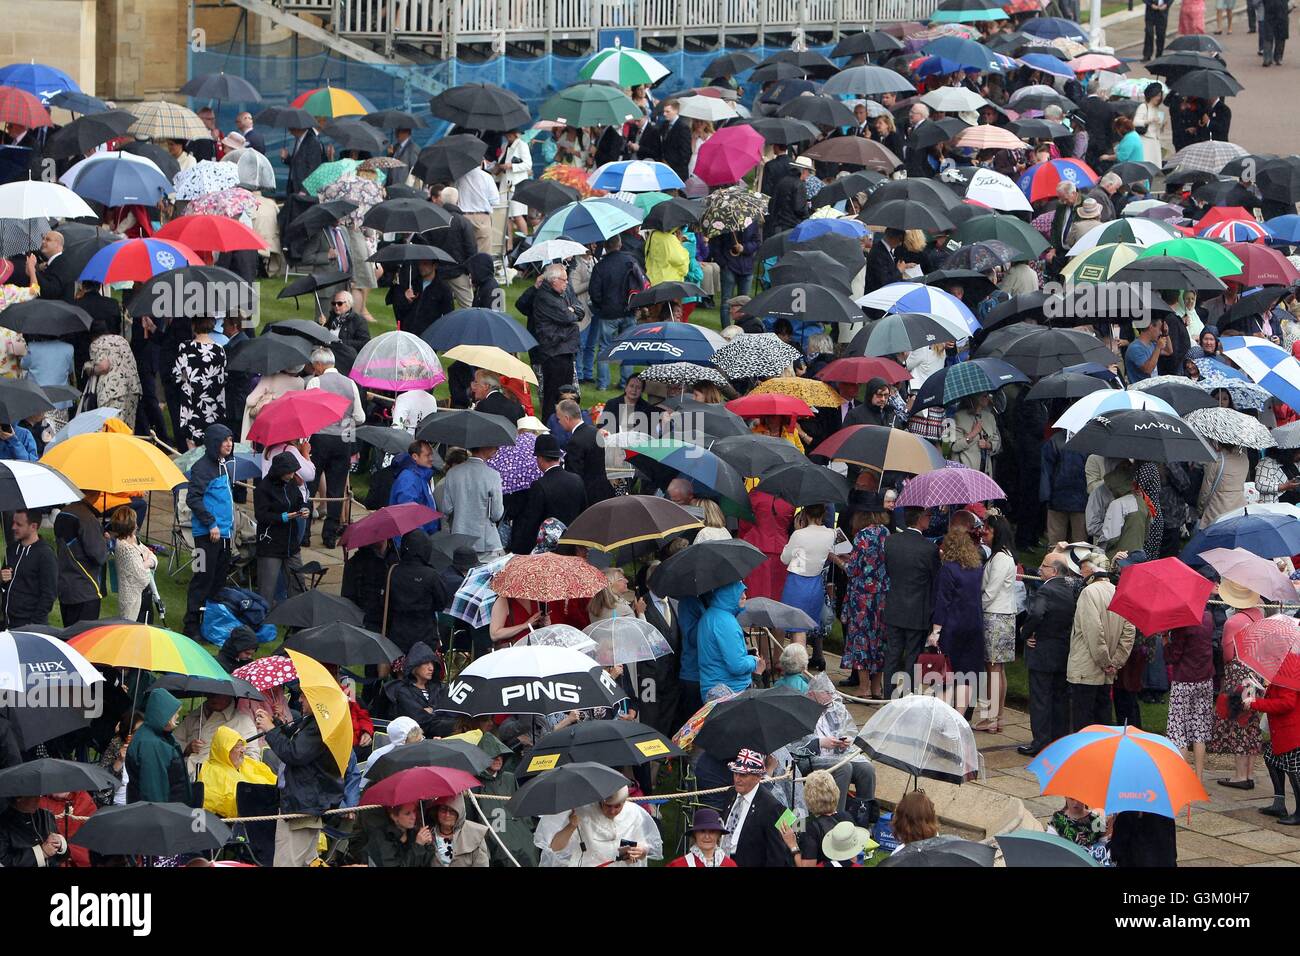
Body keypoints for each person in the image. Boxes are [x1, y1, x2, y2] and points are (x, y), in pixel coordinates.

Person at [255, 692, 346, 868]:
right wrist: (278, 724)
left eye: (304, 696)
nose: (299, 699)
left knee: (286, 863)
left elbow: (295, 753)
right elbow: (296, 742)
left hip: (303, 805)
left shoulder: (318, 725)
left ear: (316, 699)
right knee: (306, 862)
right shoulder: (314, 722)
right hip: (303, 803)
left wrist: (270, 730)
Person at [1020, 551, 1080, 757]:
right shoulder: (1069, 590)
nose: (1039, 569)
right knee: (1059, 698)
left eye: (1044, 566)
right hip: (1062, 651)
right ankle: (1058, 739)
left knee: (1040, 699)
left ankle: (1040, 741)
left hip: (1043, 651)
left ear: (1053, 570)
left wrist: (1025, 632)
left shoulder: (1046, 591)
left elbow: (1036, 613)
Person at [1067, 555, 1135, 732]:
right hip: (1107, 672)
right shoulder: (1119, 591)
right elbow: (1129, 633)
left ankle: (1083, 757)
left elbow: (1094, 631)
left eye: (1083, 568)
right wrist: (1115, 663)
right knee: (1103, 721)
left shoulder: (1088, 592)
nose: (1081, 573)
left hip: (1086, 670)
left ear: (1092, 570)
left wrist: (1106, 663)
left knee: (1083, 723)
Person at [1210, 577, 1265, 788]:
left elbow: (1227, 653)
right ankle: (1249, 772)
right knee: (1251, 721)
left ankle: (1241, 776)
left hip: (1239, 676)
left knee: (1239, 720)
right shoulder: (1259, 615)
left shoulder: (1234, 622)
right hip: (1256, 674)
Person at [183, 424, 235, 637]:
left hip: (224, 536)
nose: (229, 444)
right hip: (206, 536)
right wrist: (211, 523)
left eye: (231, 440)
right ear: (215, 443)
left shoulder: (222, 465)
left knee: (218, 581)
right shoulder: (202, 468)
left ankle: (210, 625)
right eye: (225, 440)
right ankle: (191, 625)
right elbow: (192, 498)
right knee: (201, 579)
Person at [928, 526, 986, 714]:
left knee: (946, 675)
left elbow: (942, 602)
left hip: (952, 628)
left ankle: (943, 717)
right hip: (974, 626)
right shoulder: (977, 569)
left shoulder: (948, 570)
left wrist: (935, 631)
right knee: (966, 675)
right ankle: (959, 718)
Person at [882, 507, 941, 691]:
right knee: (913, 658)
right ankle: (907, 699)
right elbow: (935, 578)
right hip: (917, 610)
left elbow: (890, 571)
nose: (930, 519)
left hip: (895, 607)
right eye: (929, 516)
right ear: (920, 518)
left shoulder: (891, 541)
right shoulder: (929, 548)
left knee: (892, 656)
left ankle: (888, 699)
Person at [536, 784, 662, 867]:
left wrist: (642, 851)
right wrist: (571, 826)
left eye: (618, 806)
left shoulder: (634, 812)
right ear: (601, 802)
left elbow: (643, 845)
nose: (612, 811)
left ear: (625, 802)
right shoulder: (583, 812)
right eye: (608, 806)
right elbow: (555, 848)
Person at [511, 432, 586, 555]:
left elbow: (531, 522)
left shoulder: (540, 485)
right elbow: (583, 513)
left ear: (540, 458)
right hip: (572, 546)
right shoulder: (577, 480)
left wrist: (519, 550)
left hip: (549, 550)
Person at [524, 265, 584, 416]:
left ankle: (562, 423)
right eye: (564, 280)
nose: (566, 283)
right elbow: (568, 317)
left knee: (566, 393)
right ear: (554, 280)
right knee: (553, 395)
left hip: (563, 350)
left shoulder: (559, 294)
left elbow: (580, 310)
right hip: (553, 352)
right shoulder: (546, 297)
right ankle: (550, 425)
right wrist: (570, 313)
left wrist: (571, 311)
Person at [1165, 607, 1215, 782]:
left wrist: (1165, 640)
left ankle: (1183, 778)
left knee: (1179, 730)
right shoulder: (1208, 617)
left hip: (1184, 679)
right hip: (1205, 679)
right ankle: (1199, 777)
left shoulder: (1182, 623)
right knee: (1199, 729)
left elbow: (1173, 656)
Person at [977, 515, 1017, 732]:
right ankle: (996, 717)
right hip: (1000, 615)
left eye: (988, 530)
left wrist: (975, 608)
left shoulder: (1001, 558)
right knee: (996, 669)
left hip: (995, 616)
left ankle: (993, 717)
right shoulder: (1001, 556)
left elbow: (990, 592)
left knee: (993, 668)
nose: (985, 534)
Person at [722, 748, 795, 867]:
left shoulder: (772, 807)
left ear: (757, 777)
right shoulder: (731, 793)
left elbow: (776, 854)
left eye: (743, 775)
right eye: (735, 773)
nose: (737, 779)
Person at [254, 451, 309, 607]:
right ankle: (264, 620)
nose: (292, 476)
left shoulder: (290, 484)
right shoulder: (263, 488)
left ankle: (297, 617)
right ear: (280, 472)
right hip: (271, 545)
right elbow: (261, 515)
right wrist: (281, 517)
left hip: (291, 544)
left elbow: (300, 501)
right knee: (267, 588)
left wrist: (304, 509)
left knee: (298, 582)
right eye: (289, 473)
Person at [382, 533, 449, 655]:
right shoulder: (431, 575)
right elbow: (441, 602)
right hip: (425, 634)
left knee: (400, 670)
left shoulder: (393, 572)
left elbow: (385, 601)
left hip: (398, 634)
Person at [437, 443, 505, 559]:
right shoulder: (493, 475)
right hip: (486, 541)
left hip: (459, 538)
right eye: (494, 445)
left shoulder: (452, 473)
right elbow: (496, 514)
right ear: (484, 446)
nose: (497, 449)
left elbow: (446, 509)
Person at [125, 687, 193, 804]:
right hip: (162, 814)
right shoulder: (152, 745)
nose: (177, 716)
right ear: (164, 714)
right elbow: (154, 792)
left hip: (169, 810)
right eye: (175, 713)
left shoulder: (154, 736)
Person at [696, 581, 764, 694]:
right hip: (730, 690)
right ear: (727, 594)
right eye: (738, 592)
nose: (744, 596)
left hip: (712, 687)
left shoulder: (709, 615)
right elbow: (737, 666)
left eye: (744, 591)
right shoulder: (726, 622)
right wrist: (754, 660)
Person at [198, 725, 278, 818]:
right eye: (237, 747)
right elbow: (217, 801)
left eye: (242, 745)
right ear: (225, 751)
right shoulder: (211, 771)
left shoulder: (250, 763)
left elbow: (274, 782)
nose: (243, 750)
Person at [52, 495, 107, 626]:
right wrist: (105, 542)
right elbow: (99, 555)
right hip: (86, 589)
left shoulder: (63, 513)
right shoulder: (86, 518)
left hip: (66, 588)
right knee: (84, 642)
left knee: (70, 640)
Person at [173, 316, 226, 449]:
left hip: (192, 403)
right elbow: (223, 376)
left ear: (193, 326)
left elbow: (177, 375)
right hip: (214, 405)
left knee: (193, 449)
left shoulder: (185, 347)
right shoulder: (219, 349)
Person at [3, 508, 57, 629]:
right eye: (13, 523)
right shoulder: (11, 550)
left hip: (28, 625)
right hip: (6, 622)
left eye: (19, 524)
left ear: (33, 526)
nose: (13, 527)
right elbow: (4, 584)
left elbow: (49, 594)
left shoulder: (45, 554)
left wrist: (33, 624)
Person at [557, 398, 613, 505]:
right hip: (605, 492)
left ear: (567, 418)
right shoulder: (595, 432)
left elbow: (574, 476)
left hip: (588, 496)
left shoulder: (575, 441)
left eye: (559, 419)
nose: (559, 422)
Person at [108, 505, 156, 622]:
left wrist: (147, 561)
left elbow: (152, 556)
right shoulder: (124, 547)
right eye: (135, 522)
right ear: (129, 525)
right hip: (132, 598)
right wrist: (148, 561)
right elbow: (142, 576)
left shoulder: (134, 539)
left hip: (143, 595)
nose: (137, 525)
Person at [388, 440, 441, 538]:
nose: (431, 459)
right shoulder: (409, 479)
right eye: (427, 455)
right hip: (412, 542)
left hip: (421, 537)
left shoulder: (420, 476)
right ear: (415, 457)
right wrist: (420, 540)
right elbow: (407, 513)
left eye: (431, 455)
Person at [426, 793, 491, 867]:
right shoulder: (427, 835)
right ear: (437, 812)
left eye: (452, 811)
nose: (447, 815)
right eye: (443, 810)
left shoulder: (475, 834)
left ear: (460, 813)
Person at [0, 796, 68, 867]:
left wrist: (59, 843)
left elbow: (63, 857)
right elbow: (4, 861)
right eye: (34, 796)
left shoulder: (46, 815)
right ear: (19, 797)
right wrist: (42, 852)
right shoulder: (3, 823)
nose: (38, 799)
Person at [366, 802, 434, 867]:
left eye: (414, 811)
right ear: (394, 817)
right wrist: (418, 845)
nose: (413, 817)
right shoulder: (383, 837)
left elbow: (425, 862)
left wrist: (428, 845)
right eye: (407, 813)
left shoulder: (414, 832)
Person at [1046, 797, 1111, 865]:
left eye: (1079, 799)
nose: (1075, 803)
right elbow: (1051, 843)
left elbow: (1102, 844)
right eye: (1072, 799)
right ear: (1065, 797)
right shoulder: (1058, 819)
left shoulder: (1095, 820)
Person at [666, 807, 737, 867]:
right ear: (695, 834)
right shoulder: (678, 865)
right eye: (702, 831)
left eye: (712, 831)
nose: (707, 836)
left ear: (718, 835)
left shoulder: (730, 865)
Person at [766, 155, 812, 237]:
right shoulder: (799, 184)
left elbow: (773, 203)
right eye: (809, 171)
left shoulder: (783, 181)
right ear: (804, 170)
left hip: (778, 224)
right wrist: (808, 214)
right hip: (792, 225)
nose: (809, 174)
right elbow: (799, 208)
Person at [1124, 314, 1171, 384]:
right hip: (1141, 391)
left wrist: (1166, 334)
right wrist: (1158, 348)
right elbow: (1148, 370)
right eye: (1159, 328)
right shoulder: (1135, 348)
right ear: (1151, 327)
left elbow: (1168, 351)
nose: (1160, 332)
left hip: (1154, 386)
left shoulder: (1152, 344)